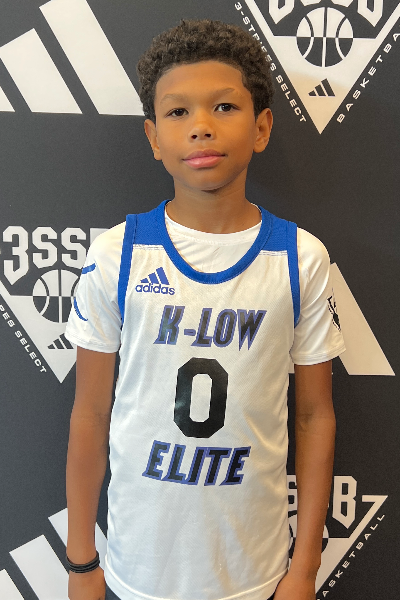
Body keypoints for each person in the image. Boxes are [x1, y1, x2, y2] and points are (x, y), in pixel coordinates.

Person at [64, 18, 345, 600]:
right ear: (153, 138)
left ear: (261, 126)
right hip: (139, 565)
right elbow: (90, 413)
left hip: (255, 569)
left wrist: (304, 569)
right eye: (177, 112)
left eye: (223, 106)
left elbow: (315, 417)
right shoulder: (118, 255)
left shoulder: (300, 258)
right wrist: (80, 561)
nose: (200, 127)